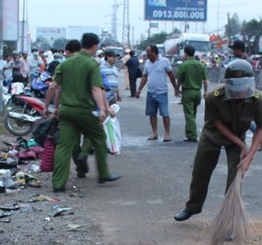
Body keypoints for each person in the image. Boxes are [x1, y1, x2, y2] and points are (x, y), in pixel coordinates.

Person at [173, 58, 262, 222]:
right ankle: (192, 207)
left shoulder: (256, 99)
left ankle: (229, 218)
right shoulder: (214, 97)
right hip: (213, 135)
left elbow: (260, 129)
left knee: (235, 179)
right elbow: (219, 125)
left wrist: (249, 156)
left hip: (238, 136)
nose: (239, 93)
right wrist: (241, 145)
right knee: (200, 172)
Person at [51, 33, 120, 192]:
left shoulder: (65, 64)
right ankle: (103, 174)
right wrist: (102, 109)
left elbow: (55, 88)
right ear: (95, 46)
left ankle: (58, 184)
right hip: (84, 111)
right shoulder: (91, 65)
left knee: (64, 146)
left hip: (66, 111)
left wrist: (55, 108)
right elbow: (96, 88)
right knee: (99, 137)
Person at [136, 44, 179, 142]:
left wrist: (175, 88)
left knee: (165, 114)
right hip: (151, 92)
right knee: (152, 114)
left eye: (148, 52)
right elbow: (145, 76)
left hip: (162, 92)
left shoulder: (165, 61)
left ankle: (167, 134)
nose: (146, 54)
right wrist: (139, 89)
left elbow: (171, 75)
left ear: (154, 52)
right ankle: (154, 132)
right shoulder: (147, 63)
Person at [175, 45, 208, 142]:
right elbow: (205, 80)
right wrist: (205, 91)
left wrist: (177, 89)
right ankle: (189, 132)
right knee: (193, 113)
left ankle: (192, 135)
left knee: (189, 114)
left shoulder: (184, 65)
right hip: (197, 92)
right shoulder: (200, 65)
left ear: (185, 53)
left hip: (188, 91)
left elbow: (179, 80)